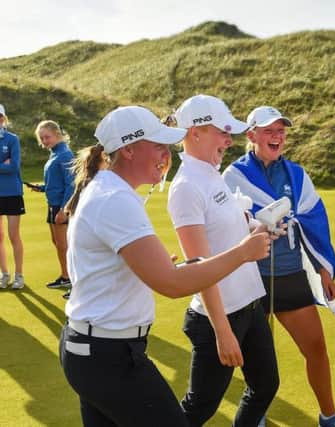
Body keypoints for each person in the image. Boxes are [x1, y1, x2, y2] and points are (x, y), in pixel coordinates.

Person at [59, 105, 273, 427]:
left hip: (93, 351)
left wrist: (152, 268)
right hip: (110, 356)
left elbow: (128, 269)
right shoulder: (115, 198)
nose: (165, 154)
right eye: (157, 145)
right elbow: (171, 284)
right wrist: (243, 253)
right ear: (128, 150)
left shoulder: (105, 189)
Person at [223, 106, 335, 427]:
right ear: (251, 134)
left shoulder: (296, 174)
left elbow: (313, 219)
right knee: (257, 361)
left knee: (316, 349)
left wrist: (324, 269)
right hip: (252, 279)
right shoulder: (232, 176)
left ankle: (329, 417)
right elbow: (226, 225)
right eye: (269, 130)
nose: (277, 136)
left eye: (281, 130)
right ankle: (256, 414)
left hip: (289, 276)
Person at [168, 95, 279, 427]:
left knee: (265, 386)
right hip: (218, 316)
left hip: (249, 304)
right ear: (196, 132)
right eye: (223, 132)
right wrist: (222, 331)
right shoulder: (186, 186)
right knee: (199, 408)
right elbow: (199, 266)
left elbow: (232, 232)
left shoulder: (212, 173)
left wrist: (258, 229)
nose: (230, 140)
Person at [32, 120, 75, 298]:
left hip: (60, 206)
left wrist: (63, 210)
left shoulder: (64, 154)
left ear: (57, 134)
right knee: (58, 244)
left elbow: (71, 184)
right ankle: (65, 277)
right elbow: (55, 181)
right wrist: (42, 187)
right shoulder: (55, 153)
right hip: (53, 203)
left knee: (66, 245)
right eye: (41, 138)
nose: (44, 141)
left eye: (47, 137)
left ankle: (74, 281)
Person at [0, 103, 25, 290]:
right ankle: (4, 274)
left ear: (3, 119)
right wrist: (3, 164)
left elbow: (13, 166)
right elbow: (6, 166)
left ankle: (19, 275)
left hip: (12, 193)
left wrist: (6, 165)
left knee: (13, 235)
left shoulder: (12, 139)